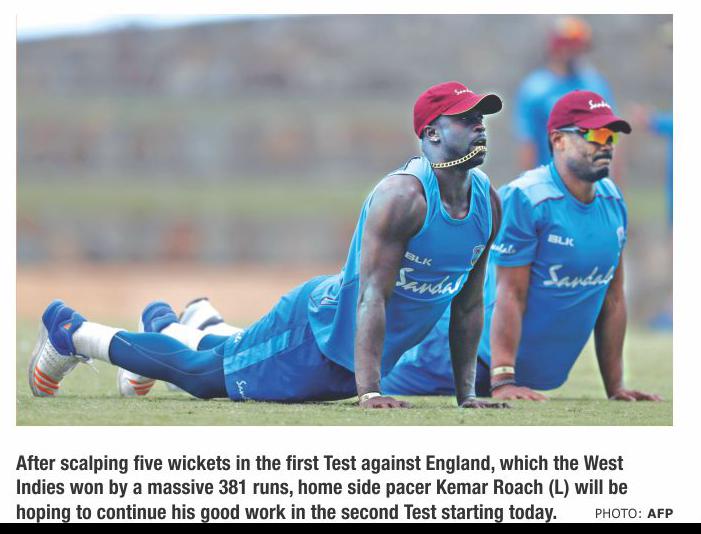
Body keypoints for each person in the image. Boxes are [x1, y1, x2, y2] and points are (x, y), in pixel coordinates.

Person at [29, 81, 508, 409]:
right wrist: (370, 392)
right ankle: (71, 332)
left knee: (226, 355)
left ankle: (175, 325)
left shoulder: (487, 201)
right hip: (316, 337)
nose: (480, 126)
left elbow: (468, 304)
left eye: (482, 119)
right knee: (202, 376)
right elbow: (370, 297)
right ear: (431, 133)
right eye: (466, 119)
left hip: (352, 356)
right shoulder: (403, 198)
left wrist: (466, 395)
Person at [380, 90, 662, 402]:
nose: (606, 144)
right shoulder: (527, 198)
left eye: (612, 136)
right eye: (594, 134)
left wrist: (616, 387)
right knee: (366, 383)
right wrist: (503, 380)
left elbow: (613, 297)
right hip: (453, 361)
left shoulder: (612, 199)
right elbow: (510, 293)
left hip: (520, 372)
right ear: (558, 140)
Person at [515, 17, 615, 171]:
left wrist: (613, 180)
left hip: (590, 177)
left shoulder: (595, 84)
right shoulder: (535, 88)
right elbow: (528, 143)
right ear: (556, 48)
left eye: (580, 48)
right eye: (571, 47)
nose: (577, 53)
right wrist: (526, 181)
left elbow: (610, 136)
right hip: (549, 176)